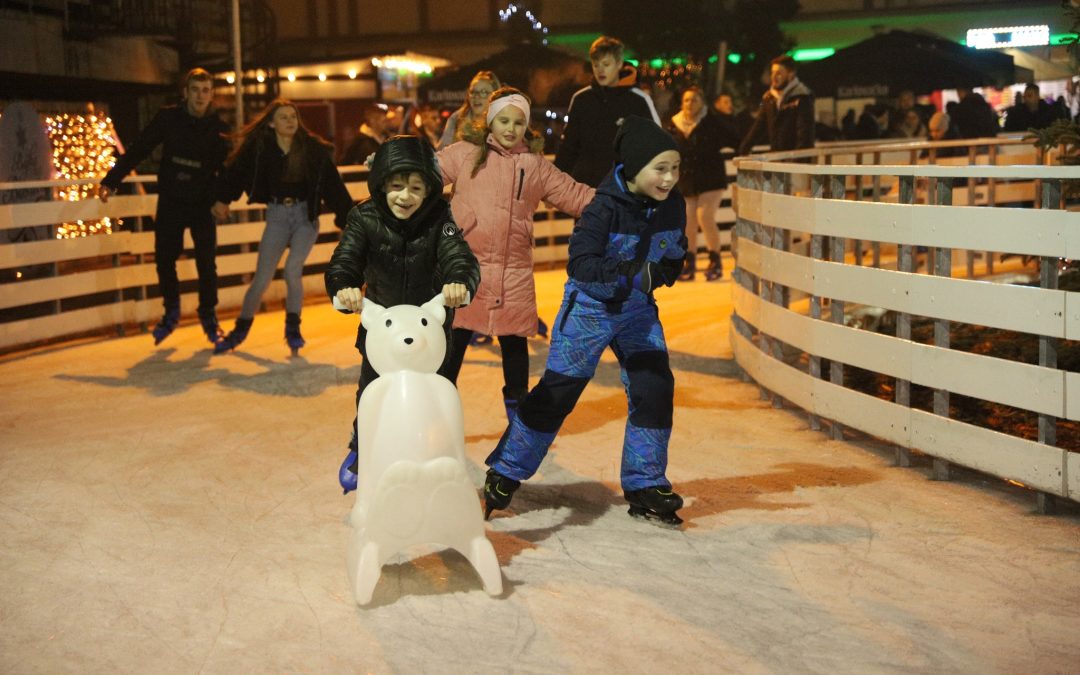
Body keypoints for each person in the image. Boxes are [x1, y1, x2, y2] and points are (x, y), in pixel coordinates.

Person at [482, 116, 688, 527]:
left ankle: (645, 482)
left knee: (654, 385)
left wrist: (660, 274)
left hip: (636, 312)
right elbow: (581, 264)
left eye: (675, 168)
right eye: (660, 169)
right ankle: (505, 470)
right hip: (590, 309)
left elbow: (674, 253)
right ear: (634, 166)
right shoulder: (602, 207)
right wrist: (631, 274)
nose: (669, 179)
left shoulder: (673, 204)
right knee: (559, 392)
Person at [326, 135, 480, 494]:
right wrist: (345, 286)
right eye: (396, 187)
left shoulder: (441, 217)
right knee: (372, 391)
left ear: (428, 189)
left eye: (415, 187)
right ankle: (362, 445)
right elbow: (345, 260)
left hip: (430, 330)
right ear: (382, 185)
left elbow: (459, 254)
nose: (405, 196)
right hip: (382, 329)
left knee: (435, 393)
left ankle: (432, 454)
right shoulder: (364, 217)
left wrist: (459, 280)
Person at [436, 87, 595, 421]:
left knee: (514, 345)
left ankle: (519, 417)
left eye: (518, 123)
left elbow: (574, 195)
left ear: (527, 127)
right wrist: (389, 164)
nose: (510, 129)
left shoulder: (535, 166)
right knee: (453, 343)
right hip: (465, 269)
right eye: (503, 120)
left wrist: (624, 199)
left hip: (514, 272)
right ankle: (437, 413)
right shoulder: (465, 153)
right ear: (490, 123)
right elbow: (424, 172)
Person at [210, 99, 354, 355]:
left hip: (305, 218)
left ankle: (293, 329)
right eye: (284, 117)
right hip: (276, 215)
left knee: (291, 270)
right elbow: (236, 173)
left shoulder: (312, 150)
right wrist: (222, 198)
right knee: (262, 278)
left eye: (293, 117)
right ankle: (239, 331)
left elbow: (333, 186)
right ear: (272, 123)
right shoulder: (260, 148)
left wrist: (348, 219)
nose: (290, 121)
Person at [100, 67, 230, 346]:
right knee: (164, 259)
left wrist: (223, 199)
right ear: (185, 93)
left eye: (205, 90)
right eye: (195, 89)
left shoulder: (219, 129)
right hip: (172, 201)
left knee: (207, 264)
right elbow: (139, 148)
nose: (200, 95)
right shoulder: (168, 118)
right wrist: (112, 180)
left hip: (202, 205)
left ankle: (208, 316)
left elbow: (229, 168)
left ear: (212, 95)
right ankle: (171, 312)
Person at [555, 36, 661, 187]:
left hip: (623, 193)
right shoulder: (581, 99)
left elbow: (656, 145)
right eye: (596, 65)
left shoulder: (638, 100)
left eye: (606, 64)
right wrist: (554, 186)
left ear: (619, 64)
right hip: (585, 191)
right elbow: (568, 147)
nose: (600, 70)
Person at [665, 86, 728, 281]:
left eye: (694, 100)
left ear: (702, 103)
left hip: (711, 177)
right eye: (686, 100)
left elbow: (734, 136)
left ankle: (715, 259)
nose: (689, 104)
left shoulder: (712, 121)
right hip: (687, 179)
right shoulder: (673, 125)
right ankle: (689, 261)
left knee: (704, 216)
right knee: (688, 221)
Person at [738, 55, 815, 155]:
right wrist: (744, 148)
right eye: (772, 73)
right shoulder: (769, 98)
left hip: (795, 162)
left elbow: (805, 135)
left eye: (778, 73)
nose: (773, 77)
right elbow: (759, 126)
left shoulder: (802, 97)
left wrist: (798, 161)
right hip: (776, 159)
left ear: (790, 74)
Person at [439, 71, 501, 149]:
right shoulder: (456, 118)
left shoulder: (502, 121)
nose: (476, 97)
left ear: (495, 96)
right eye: (473, 92)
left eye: (484, 92)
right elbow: (441, 151)